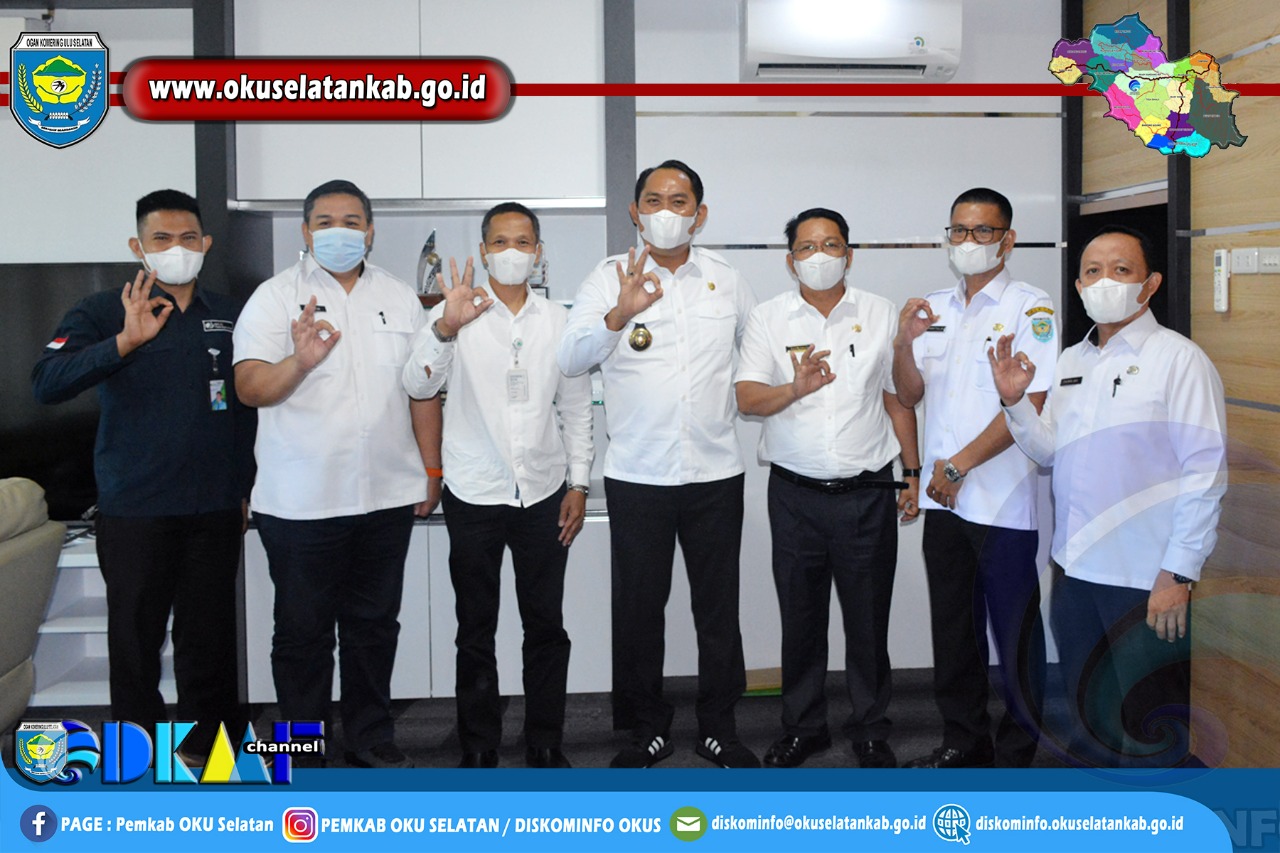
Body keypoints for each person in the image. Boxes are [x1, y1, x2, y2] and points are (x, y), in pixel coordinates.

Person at [990, 225, 1227, 767]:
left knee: (1150, 723)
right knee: (1088, 716)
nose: (1104, 282)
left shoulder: (1180, 360)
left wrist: (1178, 573)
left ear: (1150, 284)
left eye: (1121, 270)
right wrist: (1015, 404)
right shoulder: (1072, 360)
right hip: (1075, 571)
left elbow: (1205, 472)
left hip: (1145, 579)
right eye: (1092, 272)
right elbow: (1050, 452)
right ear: (1078, 286)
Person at [31, 189, 252, 761]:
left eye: (188, 238)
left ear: (205, 243)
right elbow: (47, 383)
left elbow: (246, 407)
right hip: (136, 509)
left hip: (214, 506)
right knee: (135, 640)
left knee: (209, 638)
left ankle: (207, 749)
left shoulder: (230, 315)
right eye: (162, 238)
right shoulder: (103, 310)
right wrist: (124, 342)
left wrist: (246, 486)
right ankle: (139, 750)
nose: (177, 248)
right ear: (138, 246)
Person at [558, 159, 759, 768]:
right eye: (653, 200)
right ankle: (645, 728)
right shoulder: (606, 277)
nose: (666, 212)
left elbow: (755, 360)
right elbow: (571, 359)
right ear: (635, 211)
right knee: (639, 612)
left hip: (715, 473)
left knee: (718, 611)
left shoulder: (727, 279)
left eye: (679, 201)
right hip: (639, 475)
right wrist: (618, 314)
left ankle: (719, 726)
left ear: (700, 213)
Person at [233, 179, 437, 769]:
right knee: (303, 634)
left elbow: (422, 389)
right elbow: (249, 387)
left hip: (387, 494)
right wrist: (299, 362)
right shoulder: (274, 299)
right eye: (325, 222)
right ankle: (302, 749)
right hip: (301, 501)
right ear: (305, 231)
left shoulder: (399, 298)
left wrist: (431, 468)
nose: (339, 232)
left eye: (352, 222)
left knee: (374, 627)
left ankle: (371, 738)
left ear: (370, 232)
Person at [403, 202, 593, 769]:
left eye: (523, 241)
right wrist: (445, 327)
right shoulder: (455, 313)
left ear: (539, 252)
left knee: (546, 626)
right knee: (475, 628)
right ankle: (479, 745)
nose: (513, 252)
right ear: (484, 252)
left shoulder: (558, 320)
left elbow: (576, 408)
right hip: (474, 493)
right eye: (501, 242)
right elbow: (417, 384)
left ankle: (545, 741)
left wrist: (580, 483)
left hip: (544, 493)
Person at [735, 208, 921, 769]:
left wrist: (912, 472)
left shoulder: (879, 312)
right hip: (795, 496)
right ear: (790, 259)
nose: (820, 256)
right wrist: (795, 388)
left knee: (868, 620)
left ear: (849, 254)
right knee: (801, 621)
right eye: (807, 246)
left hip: (867, 493)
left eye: (832, 244)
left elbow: (900, 399)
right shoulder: (768, 318)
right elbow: (747, 398)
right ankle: (803, 727)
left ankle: (871, 728)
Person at [892, 187, 1053, 768]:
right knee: (954, 635)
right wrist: (903, 343)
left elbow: (1029, 405)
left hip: (1002, 505)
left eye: (983, 231)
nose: (968, 241)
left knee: (1015, 638)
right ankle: (962, 742)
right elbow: (907, 393)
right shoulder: (933, 308)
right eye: (959, 230)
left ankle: (1017, 754)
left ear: (1007, 240)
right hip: (944, 506)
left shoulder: (1031, 309)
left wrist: (958, 464)